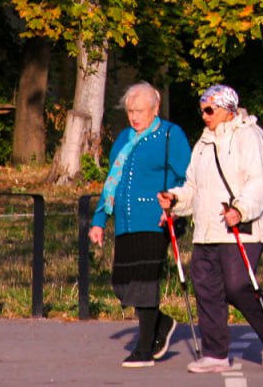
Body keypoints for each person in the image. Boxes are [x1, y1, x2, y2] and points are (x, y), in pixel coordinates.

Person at [158, 83, 263, 374]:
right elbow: (194, 187)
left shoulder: (248, 137)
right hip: (206, 231)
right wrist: (175, 199)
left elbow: (259, 181)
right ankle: (216, 353)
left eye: (210, 109)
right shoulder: (203, 144)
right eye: (202, 110)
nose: (204, 116)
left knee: (238, 285)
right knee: (206, 287)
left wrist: (240, 209)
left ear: (228, 110)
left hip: (239, 228)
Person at [90, 81, 192, 368]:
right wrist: (100, 221)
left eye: (140, 111)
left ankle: (144, 348)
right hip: (125, 221)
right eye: (130, 111)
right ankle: (163, 323)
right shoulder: (123, 138)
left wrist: (174, 203)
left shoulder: (171, 135)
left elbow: (187, 178)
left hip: (156, 220)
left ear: (155, 108)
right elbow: (112, 180)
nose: (134, 117)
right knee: (122, 283)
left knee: (145, 282)